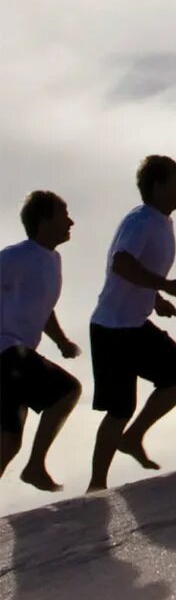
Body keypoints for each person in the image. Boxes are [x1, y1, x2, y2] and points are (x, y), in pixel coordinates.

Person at [88, 156, 176, 493]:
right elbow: (121, 264)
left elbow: (132, 270)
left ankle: (134, 437)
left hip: (132, 325)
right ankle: (97, 486)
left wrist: (156, 299)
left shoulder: (160, 222)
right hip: (112, 329)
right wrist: (165, 287)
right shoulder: (142, 222)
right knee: (119, 409)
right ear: (157, 186)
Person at [0, 192, 83, 492]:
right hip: (6, 351)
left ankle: (33, 466)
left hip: (16, 354)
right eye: (64, 214)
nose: (71, 221)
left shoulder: (53, 260)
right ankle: (35, 467)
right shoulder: (15, 256)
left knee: (8, 442)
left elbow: (43, 307)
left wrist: (61, 340)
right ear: (44, 221)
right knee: (68, 390)